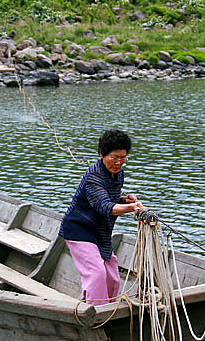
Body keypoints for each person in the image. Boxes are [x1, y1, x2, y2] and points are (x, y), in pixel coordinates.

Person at [59, 129, 143, 306]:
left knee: (112, 275)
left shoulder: (118, 173)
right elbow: (104, 206)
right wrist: (131, 207)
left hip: (100, 230)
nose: (119, 162)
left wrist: (124, 200)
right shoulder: (94, 175)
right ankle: (96, 314)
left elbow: (108, 199)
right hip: (79, 229)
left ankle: (110, 309)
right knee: (96, 272)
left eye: (123, 157)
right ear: (101, 155)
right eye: (114, 157)